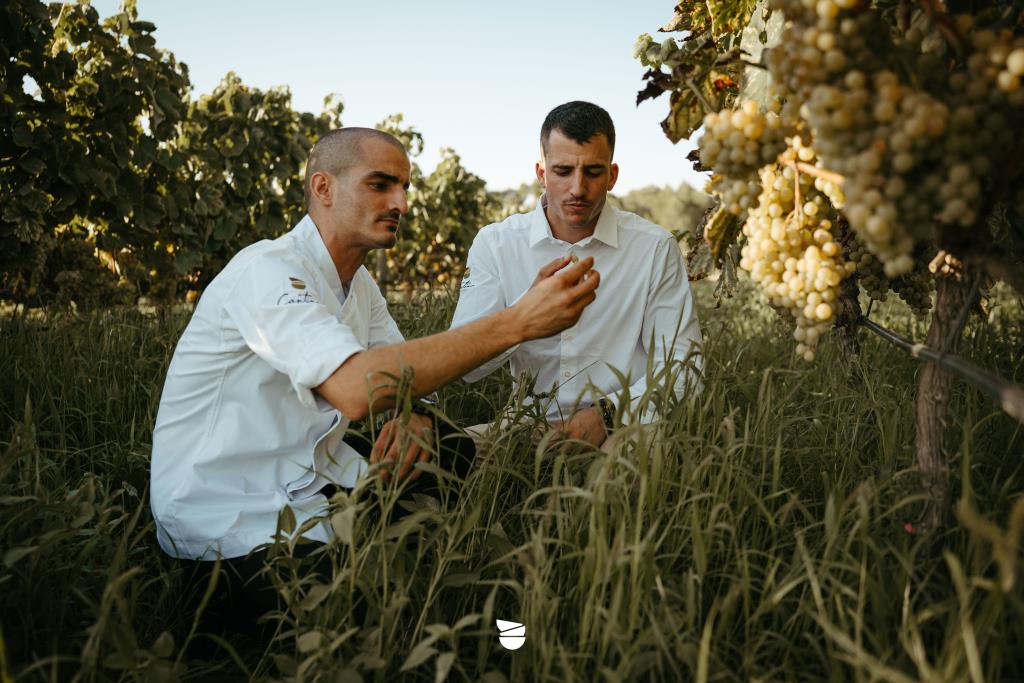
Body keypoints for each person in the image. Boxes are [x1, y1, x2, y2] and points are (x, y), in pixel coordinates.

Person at [149, 127, 600, 640]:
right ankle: (490, 629)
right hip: (228, 519)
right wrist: (516, 322)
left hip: (302, 481)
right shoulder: (266, 272)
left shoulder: (357, 283)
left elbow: (408, 375)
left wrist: (415, 414)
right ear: (324, 188)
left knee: (444, 446)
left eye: (404, 187)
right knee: (366, 619)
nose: (401, 202)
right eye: (380, 185)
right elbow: (354, 390)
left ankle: (494, 601)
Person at [450, 101, 702, 450]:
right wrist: (523, 317)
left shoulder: (654, 248)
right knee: (440, 462)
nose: (578, 189)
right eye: (563, 171)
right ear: (542, 173)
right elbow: (466, 367)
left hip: (625, 426)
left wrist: (609, 415)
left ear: (612, 176)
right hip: (529, 424)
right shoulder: (496, 244)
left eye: (593, 172)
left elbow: (684, 368)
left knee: (620, 483)